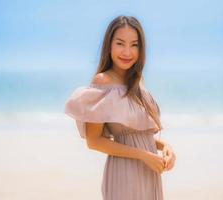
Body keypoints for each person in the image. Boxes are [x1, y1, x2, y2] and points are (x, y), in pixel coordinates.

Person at [64, 15, 176, 200]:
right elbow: (94, 141)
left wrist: (165, 147)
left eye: (134, 45)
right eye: (120, 43)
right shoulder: (102, 82)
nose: (127, 51)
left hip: (149, 173)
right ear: (109, 45)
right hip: (124, 173)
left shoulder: (137, 82)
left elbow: (137, 134)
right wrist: (144, 156)